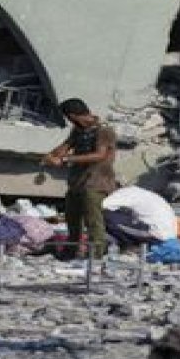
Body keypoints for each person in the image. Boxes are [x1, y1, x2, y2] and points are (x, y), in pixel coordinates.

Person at [43, 98, 118, 259]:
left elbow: (100, 155)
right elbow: (66, 146)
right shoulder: (78, 130)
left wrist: (66, 160)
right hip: (77, 181)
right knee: (72, 218)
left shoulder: (104, 131)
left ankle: (96, 254)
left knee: (93, 220)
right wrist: (52, 156)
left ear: (73, 115)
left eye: (69, 118)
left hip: (96, 181)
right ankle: (70, 251)